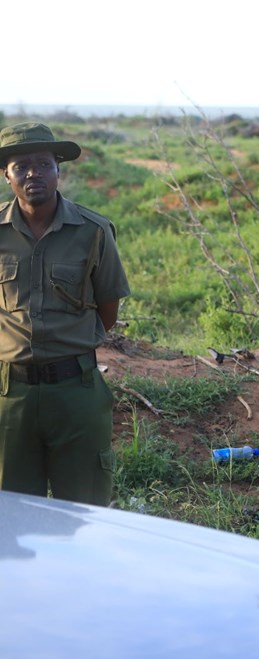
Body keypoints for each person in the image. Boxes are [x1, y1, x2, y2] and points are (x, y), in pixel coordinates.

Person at [0, 122, 130, 506]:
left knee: (85, 512)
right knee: (12, 520)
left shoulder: (93, 231)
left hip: (77, 393)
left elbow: (108, 310)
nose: (32, 174)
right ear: (7, 175)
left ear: (59, 170)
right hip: (11, 397)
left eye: (42, 164)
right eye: (20, 166)